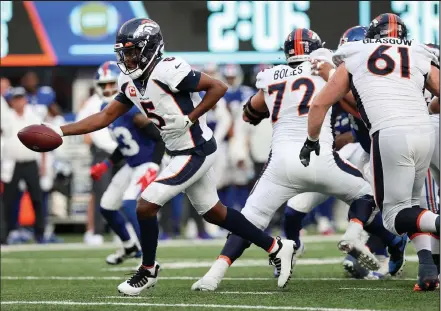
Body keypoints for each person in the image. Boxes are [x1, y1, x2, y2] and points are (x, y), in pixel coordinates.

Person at [41, 18, 296, 295]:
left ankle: (148, 270)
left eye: (132, 51)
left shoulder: (169, 70)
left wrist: (191, 118)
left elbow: (218, 87)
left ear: (150, 48)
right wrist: (58, 130)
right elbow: (105, 116)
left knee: (145, 205)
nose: (127, 58)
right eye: (124, 52)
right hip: (179, 152)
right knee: (215, 213)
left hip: (196, 149)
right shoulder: (129, 79)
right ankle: (276, 246)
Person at [192, 28, 401, 291]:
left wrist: (256, 111)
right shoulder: (326, 67)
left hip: (281, 165)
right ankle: (359, 233)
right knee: (367, 195)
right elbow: (354, 103)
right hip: (320, 157)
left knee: (249, 221)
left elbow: (251, 111)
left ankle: (214, 274)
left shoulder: (271, 75)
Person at [301, 13, 440, 291]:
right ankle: (428, 271)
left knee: (392, 216)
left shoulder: (356, 52)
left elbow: (319, 105)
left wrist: (311, 140)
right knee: (413, 206)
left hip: (390, 134)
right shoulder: (416, 50)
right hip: (426, 132)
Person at [89, 60, 165, 264]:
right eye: (103, 85)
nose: (107, 89)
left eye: (111, 83)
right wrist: (106, 164)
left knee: (131, 201)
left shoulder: (131, 108)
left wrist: (155, 165)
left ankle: (150, 259)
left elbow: (159, 137)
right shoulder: (107, 108)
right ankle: (130, 246)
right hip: (132, 164)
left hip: (149, 161)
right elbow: (126, 143)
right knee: (107, 206)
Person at [1, 87, 45, 243]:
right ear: (12, 101)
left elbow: (43, 138)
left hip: (30, 162)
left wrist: (43, 164)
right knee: (7, 200)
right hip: (12, 164)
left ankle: (40, 234)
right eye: (16, 99)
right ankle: (3, 235)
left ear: (25, 99)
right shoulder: (6, 117)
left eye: (21, 98)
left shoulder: (33, 116)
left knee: (37, 198)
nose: (19, 102)